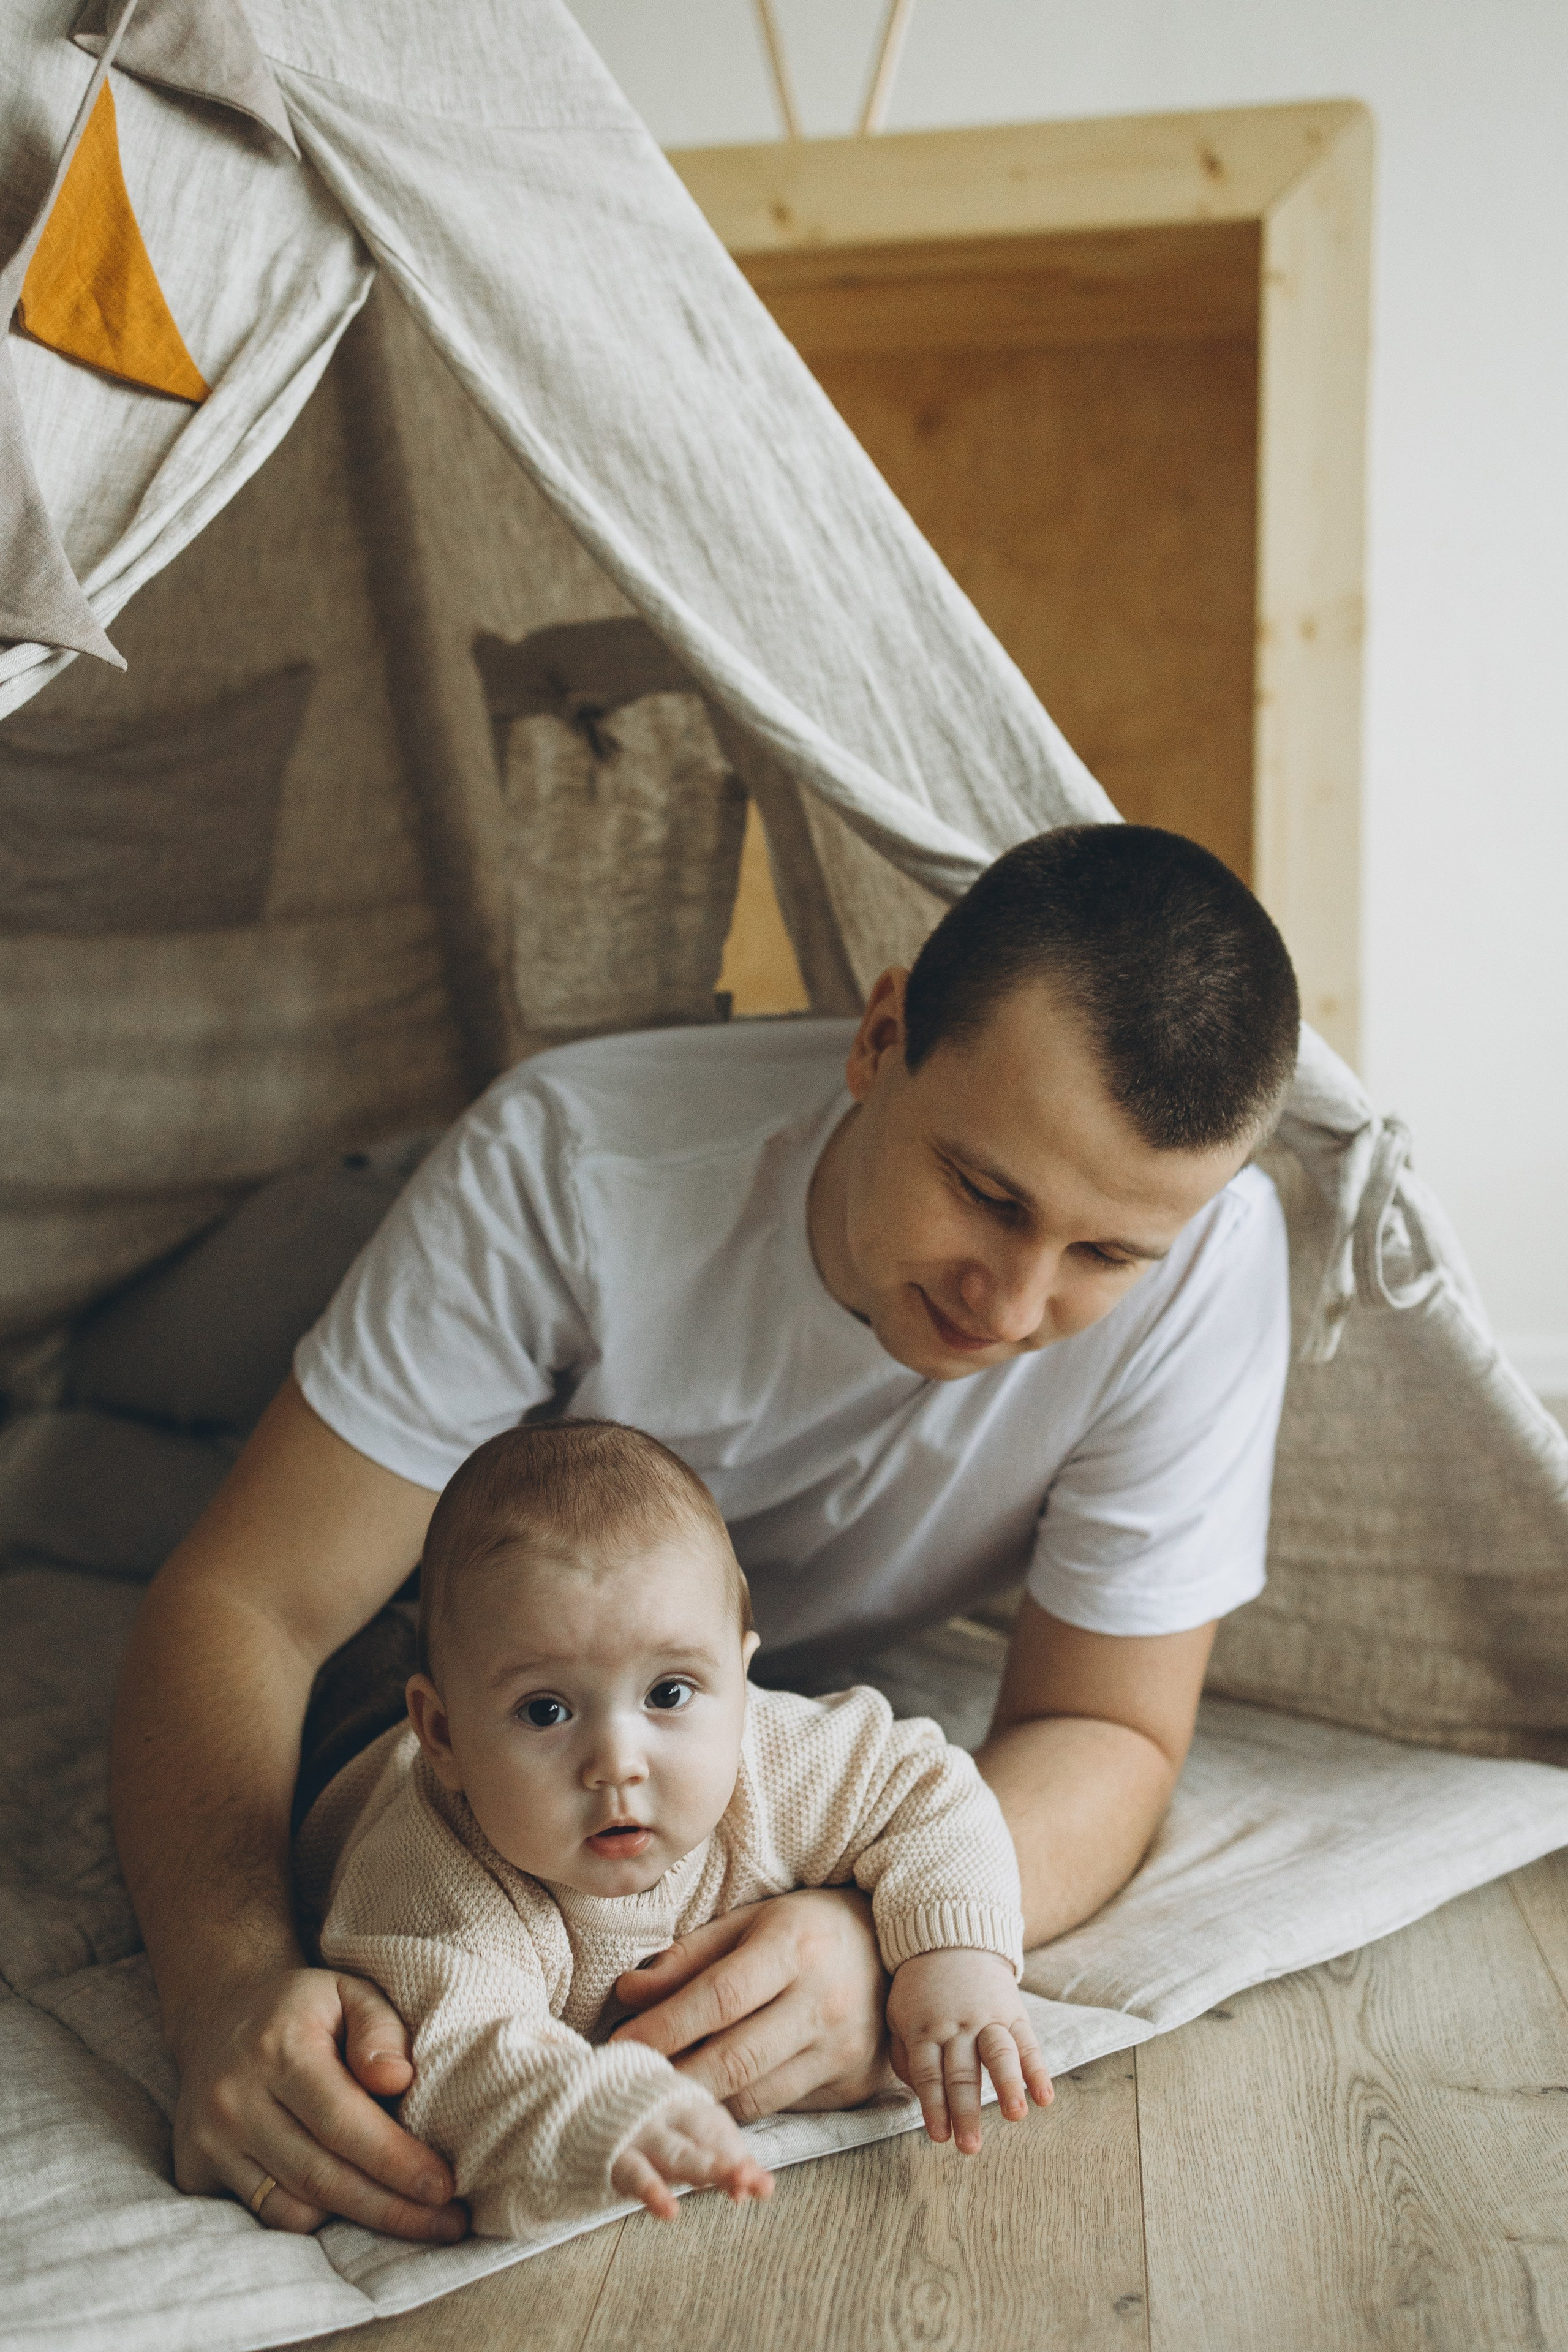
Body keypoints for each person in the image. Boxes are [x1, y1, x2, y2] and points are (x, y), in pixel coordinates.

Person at [111, 822, 1298, 2241]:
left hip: (693, 1663)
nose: (1012, 1301)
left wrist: (887, 1938)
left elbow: (1109, 1728)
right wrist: (227, 1987)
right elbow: (252, 1604)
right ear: (879, 1036)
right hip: (323, 1275)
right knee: (129, 1416)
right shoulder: (567, 1165)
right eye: (986, 1195)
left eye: (1102, 1256)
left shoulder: (1211, 1261)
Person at [296, 1419, 1050, 2235]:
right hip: (351, 1728)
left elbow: (927, 1788)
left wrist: (954, 1956)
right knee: (355, 1650)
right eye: (546, 1710)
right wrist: (607, 2123)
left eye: (669, 1693)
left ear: (741, 1671)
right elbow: (464, 2066)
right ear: (443, 1735)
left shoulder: (770, 1754)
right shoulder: (429, 1877)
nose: (618, 1762)